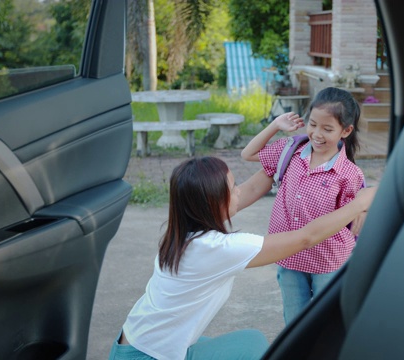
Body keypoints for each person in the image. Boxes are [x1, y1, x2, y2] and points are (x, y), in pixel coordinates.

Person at [109, 156, 375, 360]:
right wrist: (359, 203)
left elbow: (250, 190)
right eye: (233, 187)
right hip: (148, 356)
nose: (239, 190)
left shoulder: (182, 231)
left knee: (227, 344)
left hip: (129, 344)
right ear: (213, 203)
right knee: (253, 345)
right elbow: (305, 238)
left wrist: (290, 150)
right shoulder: (218, 249)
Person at [241, 86, 373, 325]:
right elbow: (248, 154)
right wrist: (275, 125)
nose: (317, 134)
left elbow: (354, 216)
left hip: (328, 261)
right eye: (312, 124)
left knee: (324, 324)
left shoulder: (349, 173)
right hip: (289, 255)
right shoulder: (290, 152)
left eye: (327, 128)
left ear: (346, 131)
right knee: (294, 322)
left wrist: (362, 208)